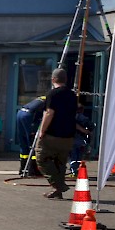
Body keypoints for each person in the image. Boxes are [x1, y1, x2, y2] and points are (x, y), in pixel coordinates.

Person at [36, 68, 77, 199]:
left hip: (52, 135)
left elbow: (49, 113)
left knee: (42, 158)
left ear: (53, 79)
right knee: (60, 162)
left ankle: (59, 185)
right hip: (68, 135)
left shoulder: (52, 94)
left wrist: (42, 131)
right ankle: (57, 191)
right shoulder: (72, 95)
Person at [15, 95, 46, 174]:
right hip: (29, 116)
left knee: (23, 142)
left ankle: (22, 168)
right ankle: (33, 169)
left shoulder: (42, 98)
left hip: (20, 113)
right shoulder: (51, 101)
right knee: (33, 143)